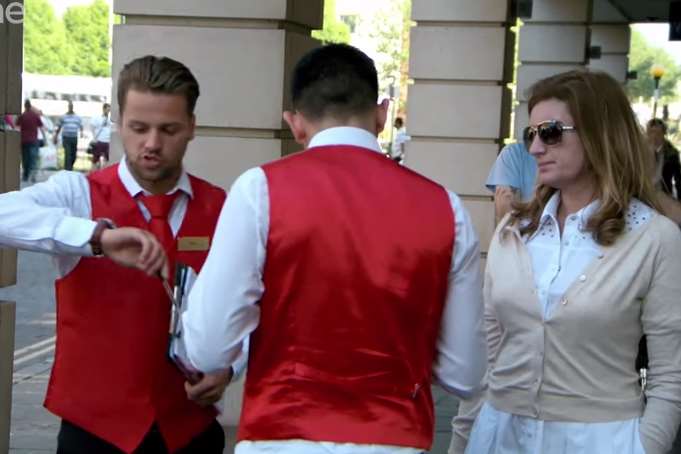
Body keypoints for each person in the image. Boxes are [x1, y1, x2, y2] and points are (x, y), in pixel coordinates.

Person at [179, 43, 487, 454]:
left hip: (282, 435)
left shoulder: (259, 190)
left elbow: (208, 347)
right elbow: (466, 373)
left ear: (295, 123)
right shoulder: (445, 207)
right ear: (381, 114)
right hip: (396, 436)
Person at [0, 56, 231, 454]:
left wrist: (229, 368)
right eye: (139, 128)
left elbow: (245, 303)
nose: (152, 144)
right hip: (93, 435)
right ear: (119, 122)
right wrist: (93, 237)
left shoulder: (222, 207)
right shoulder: (78, 194)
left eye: (168, 129)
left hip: (189, 432)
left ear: (192, 128)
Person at [451, 70, 681, 454]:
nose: (536, 147)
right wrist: (462, 440)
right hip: (499, 437)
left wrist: (642, 448)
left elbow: (670, 376)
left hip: (601, 440)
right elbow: (488, 357)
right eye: (531, 134)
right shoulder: (515, 230)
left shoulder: (654, 239)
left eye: (552, 131)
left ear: (598, 134)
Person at [485, 141, 537, 223]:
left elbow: (504, 200)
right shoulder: (513, 152)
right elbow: (504, 198)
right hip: (526, 231)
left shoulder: (514, 152)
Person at [647, 118, 681, 200]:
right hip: (646, 196)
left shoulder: (672, 153)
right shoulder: (641, 150)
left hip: (664, 195)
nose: (654, 136)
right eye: (651, 132)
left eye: (658, 133)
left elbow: (678, 179)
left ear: (664, 133)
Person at [15, 99, 45, 182]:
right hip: (34, 141)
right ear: (30, 106)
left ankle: (25, 175)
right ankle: (33, 175)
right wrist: (44, 139)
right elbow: (41, 127)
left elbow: (16, 127)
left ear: (25, 106)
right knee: (33, 158)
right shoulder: (35, 115)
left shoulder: (22, 115)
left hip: (24, 141)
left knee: (25, 159)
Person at [53, 100, 83, 171]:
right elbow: (59, 127)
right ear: (68, 107)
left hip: (74, 137)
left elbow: (81, 126)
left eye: (71, 106)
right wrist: (55, 136)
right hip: (66, 137)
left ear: (73, 107)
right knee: (68, 154)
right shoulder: (63, 117)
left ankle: (70, 167)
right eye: (69, 106)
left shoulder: (77, 117)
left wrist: (81, 132)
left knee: (74, 154)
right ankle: (67, 169)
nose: (70, 107)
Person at [90, 102, 112, 169]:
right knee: (95, 159)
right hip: (99, 140)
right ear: (104, 109)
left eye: (109, 110)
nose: (108, 111)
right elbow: (92, 127)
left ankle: (104, 172)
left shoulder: (111, 119)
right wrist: (94, 137)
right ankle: (93, 173)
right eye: (107, 110)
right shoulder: (97, 118)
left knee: (107, 159)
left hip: (108, 141)